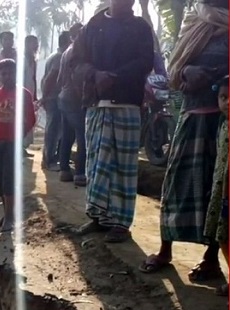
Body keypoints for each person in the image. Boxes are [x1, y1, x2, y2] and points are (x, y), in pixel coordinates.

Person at [140, 0, 228, 276]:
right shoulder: (194, 21)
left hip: (224, 125)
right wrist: (188, 72)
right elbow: (176, 70)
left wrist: (216, 80)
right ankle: (165, 251)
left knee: (216, 193)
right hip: (192, 118)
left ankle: (211, 259)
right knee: (176, 185)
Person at [70, 0, 154, 243]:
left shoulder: (140, 27)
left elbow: (145, 62)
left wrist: (115, 78)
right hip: (97, 105)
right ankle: (98, 216)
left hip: (126, 104)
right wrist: (94, 75)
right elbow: (76, 61)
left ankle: (120, 223)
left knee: (123, 168)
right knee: (96, 164)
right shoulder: (93, 25)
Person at [203, 75, 228, 295]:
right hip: (222, 193)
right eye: (223, 97)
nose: (227, 102)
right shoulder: (221, 125)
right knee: (222, 237)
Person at [0, 59, 19, 232]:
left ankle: (10, 218)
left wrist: (18, 136)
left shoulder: (23, 94)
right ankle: (5, 214)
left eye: (10, 73)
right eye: (3, 73)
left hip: (12, 142)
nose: (7, 76)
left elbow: (29, 118)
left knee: (9, 179)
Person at [57, 25, 87, 186]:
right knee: (82, 136)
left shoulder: (66, 52)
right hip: (75, 99)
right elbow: (78, 77)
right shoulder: (79, 50)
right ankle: (81, 172)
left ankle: (64, 170)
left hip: (64, 97)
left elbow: (60, 78)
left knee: (67, 135)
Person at [41, 31, 71, 171]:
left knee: (55, 129)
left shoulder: (55, 55)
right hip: (53, 98)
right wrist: (46, 97)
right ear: (66, 42)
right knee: (53, 130)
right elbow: (50, 79)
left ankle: (51, 158)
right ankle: (49, 160)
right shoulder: (59, 57)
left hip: (53, 97)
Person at [23, 35, 39, 158]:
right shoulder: (21, 59)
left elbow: (33, 78)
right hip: (21, 94)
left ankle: (23, 146)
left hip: (30, 93)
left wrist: (35, 96)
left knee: (29, 120)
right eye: (33, 43)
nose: (36, 46)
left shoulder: (33, 60)